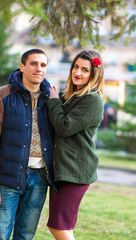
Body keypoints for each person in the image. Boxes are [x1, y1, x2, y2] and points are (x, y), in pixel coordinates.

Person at [0, 48, 57, 240]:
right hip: (7, 178)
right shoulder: (0, 96)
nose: (38, 68)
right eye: (33, 63)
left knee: (25, 236)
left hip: (39, 179)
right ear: (22, 66)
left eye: (43, 65)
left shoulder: (52, 100)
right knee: (0, 236)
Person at [46, 50, 106, 240]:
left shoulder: (92, 100)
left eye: (85, 70)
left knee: (59, 226)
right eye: (76, 67)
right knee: (62, 226)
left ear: (94, 74)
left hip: (76, 172)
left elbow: (64, 126)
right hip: (63, 170)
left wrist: (54, 100)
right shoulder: (71, 95)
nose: (77, 72)